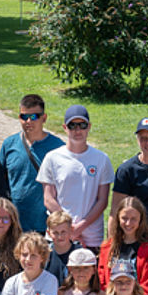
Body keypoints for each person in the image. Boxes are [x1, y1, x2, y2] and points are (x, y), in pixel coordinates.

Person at [37, 105, 114, 250]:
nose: (78, 130)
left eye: (82, 125)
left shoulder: (101, 159)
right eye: (72, 126)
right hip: (58, 235)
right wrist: (67, 227)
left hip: (91, 237)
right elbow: (48, 199)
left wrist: (79, 227)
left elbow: (103, 200)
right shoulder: (52, 158)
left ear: (89, 127)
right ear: (64, 127)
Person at [0, 94, 65, 233]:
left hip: (47, 225)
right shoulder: (9, 144)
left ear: (44, 118)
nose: (28, 121)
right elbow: (0, 181)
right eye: (24, 117)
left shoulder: (58, 147)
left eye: (34, 116)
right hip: (15, 225)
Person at [97, 196, 148, 295]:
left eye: (133, 219)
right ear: (118, 218)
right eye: (124, 218)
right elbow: (102, 282)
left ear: (141, 220)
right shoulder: (107, 247)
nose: (128, 223)